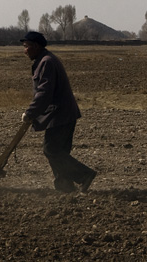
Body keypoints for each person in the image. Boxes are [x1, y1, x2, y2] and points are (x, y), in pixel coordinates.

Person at [20, 31, 97, 193]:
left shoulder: (46, 62)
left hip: (60, 115)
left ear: (36, 46)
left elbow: (44, 92)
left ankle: (85, 175)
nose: (24, 50)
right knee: (59, 152)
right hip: (62, 114)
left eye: (26, 46)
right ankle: (65, 187)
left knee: (51, 150)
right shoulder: (44, 60)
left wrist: (30, 113)